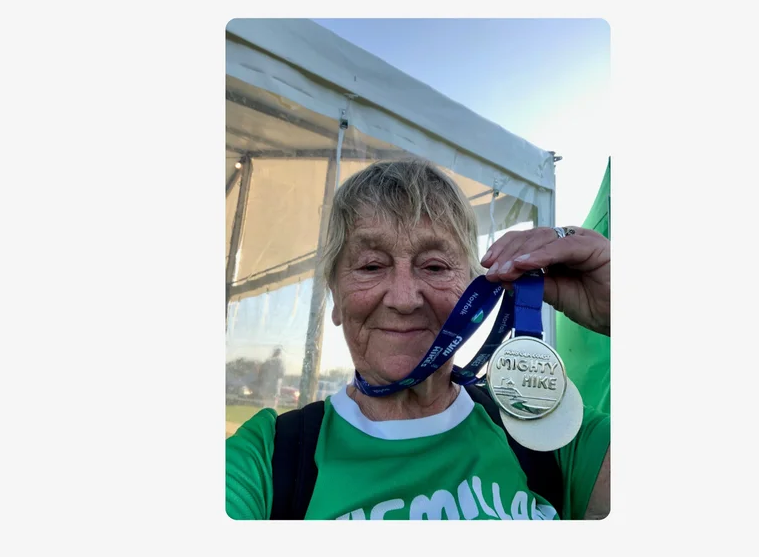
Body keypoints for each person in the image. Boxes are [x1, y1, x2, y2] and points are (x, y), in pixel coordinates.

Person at [226, 159, 610, 520]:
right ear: (336, 297)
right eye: (371, 266)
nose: (404, 299)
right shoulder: (270, 456)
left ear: (472, 288)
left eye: (435, 266)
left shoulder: (547, 430)